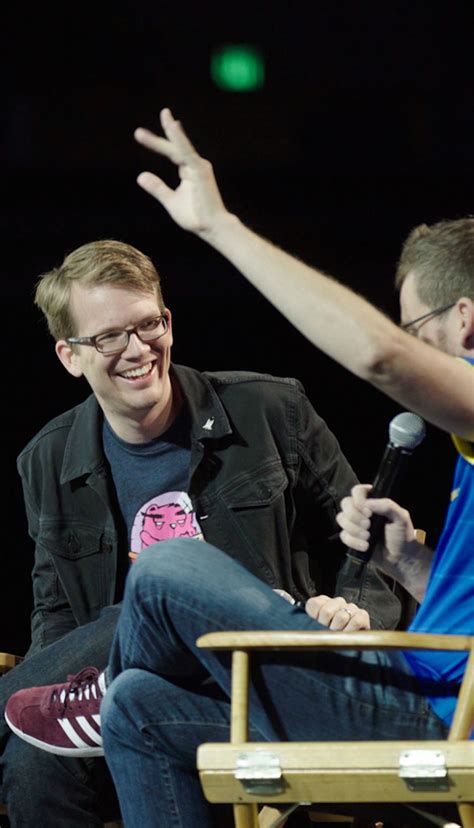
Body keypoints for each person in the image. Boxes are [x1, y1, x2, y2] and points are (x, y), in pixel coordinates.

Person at [0, 233, 396, 825]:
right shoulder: (46, 461)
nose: (138, 349)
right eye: (109, 337)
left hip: (255, 679)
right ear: (70, 357)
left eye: (149, 325)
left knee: (160, 581)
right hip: (125, 695)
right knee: (33, 762)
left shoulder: (270, 409)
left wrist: (354, 608)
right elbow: (55, 614)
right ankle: (89, 696)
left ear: (169, 321)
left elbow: (369, 546)